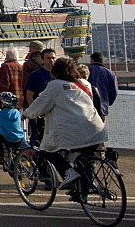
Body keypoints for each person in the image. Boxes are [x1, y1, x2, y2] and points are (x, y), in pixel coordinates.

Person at [23, 56, 108, 189]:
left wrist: (26, 114)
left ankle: (68, 173)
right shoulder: (84, 84)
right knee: (84, 158)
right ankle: (85, 189)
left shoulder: (55, 85)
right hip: (96, 129)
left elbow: (40, 105)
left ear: (55, 71)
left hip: (74, 131)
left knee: (47, 150)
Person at [24, 48, 55, 145]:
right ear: (43, 59)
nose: (51, 61)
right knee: (37, 139)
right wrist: (35, 112)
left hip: (54, 114)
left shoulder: (58, 75)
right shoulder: (36, 75)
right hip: (39, 114)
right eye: (48, 58)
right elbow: (29, 94)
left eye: (53, 58)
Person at [86, 52, 119, 120]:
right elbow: (114, 91)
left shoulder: (86, 71)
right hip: (102, 107)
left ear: (92, 60)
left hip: (86, 106)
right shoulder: (110, 73)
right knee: (100, 128)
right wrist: (107, 102)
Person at [19, 41, 44, 106]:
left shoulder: (28, 64)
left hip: (31, 96)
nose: (29, 50)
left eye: (30, 48)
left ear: (33, 49)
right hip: (45, 95)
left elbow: (25, 82)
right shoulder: (46, 61)